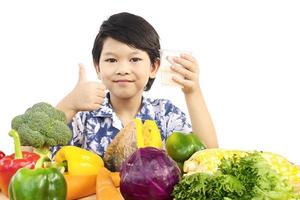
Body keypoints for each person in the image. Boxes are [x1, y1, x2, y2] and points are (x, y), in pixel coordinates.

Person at [55, 12, 218, 157]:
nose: (123, 69)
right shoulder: (83, 116)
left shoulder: (166, 114)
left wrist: (192, 92)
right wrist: (69, 104)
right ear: (98, 67)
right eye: (111, 60)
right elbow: (37, 155)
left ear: (153, 67)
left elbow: (207, 157)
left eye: (135, 59)